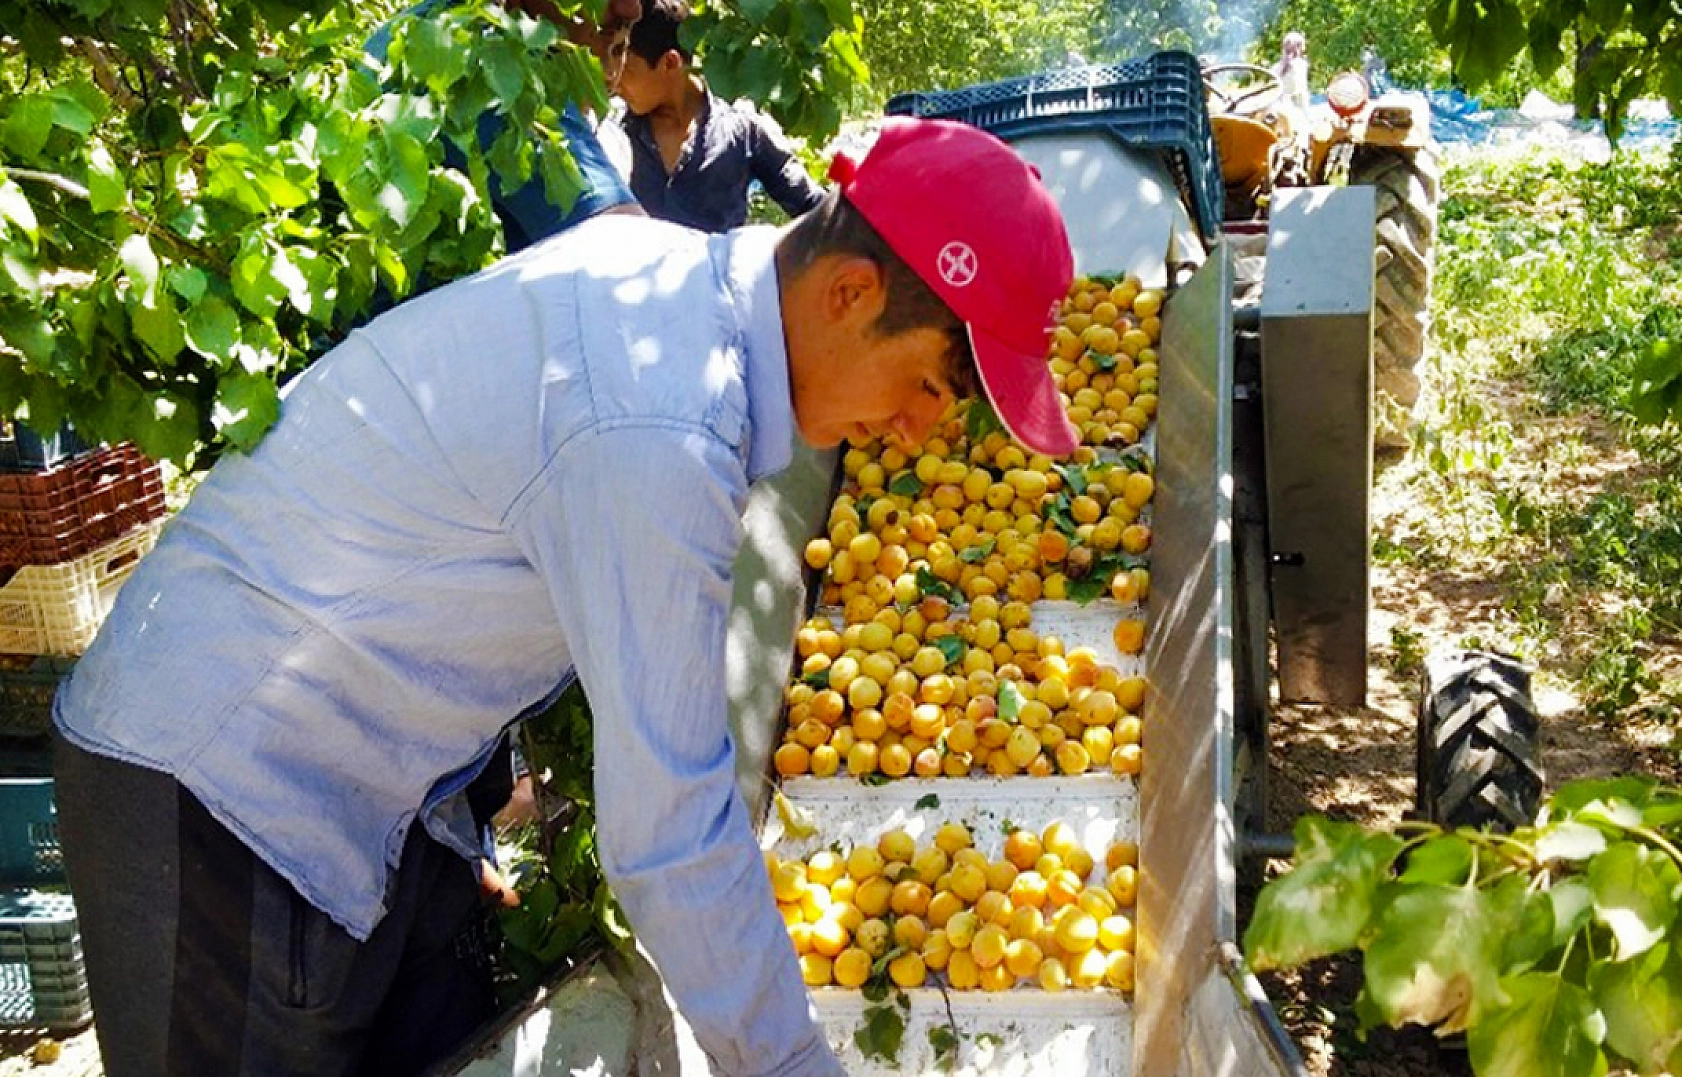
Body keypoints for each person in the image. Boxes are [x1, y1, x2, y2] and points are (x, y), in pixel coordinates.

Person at [52, 116, 1078, 1076]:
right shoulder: (657, 425)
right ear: (849, 295)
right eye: (932, 388)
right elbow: (669, 836)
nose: (915, 433)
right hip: (218, 782)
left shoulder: (668, 295)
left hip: (374, 783)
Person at [612, 0, 825, 231]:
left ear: (670, 63)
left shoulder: (743, 129)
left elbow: (814, 207)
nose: (614, 82)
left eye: (627, 71)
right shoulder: (613, 131)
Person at [1276, 30, 1311, 115]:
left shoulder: (1301, 65)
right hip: (1285, 108)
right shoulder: (1277, 67)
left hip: (1292, 108)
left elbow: (1296, 88)